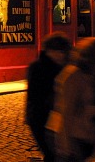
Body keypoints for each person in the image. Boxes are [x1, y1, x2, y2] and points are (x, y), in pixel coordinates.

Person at [48, 38, 95, 161]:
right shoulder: (74, 75)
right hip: (71, 138)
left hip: (80, 136)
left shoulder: (86, 76)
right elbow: (66, 111)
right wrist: (65, 146)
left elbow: (84, 107)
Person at [25, 32, 72, 162]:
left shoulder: (66, 67)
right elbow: (36, 96)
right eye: (57, 51)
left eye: (63, 52)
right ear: (49, 51)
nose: (60, 55)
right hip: (40, 118)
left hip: (59, 118)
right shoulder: (37, 68)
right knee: (51, 154)